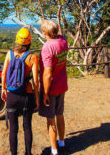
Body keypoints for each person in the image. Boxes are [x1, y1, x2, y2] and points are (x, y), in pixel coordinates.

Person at [1, 27, 39, 155]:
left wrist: (3, 89)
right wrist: (37, 98)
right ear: (29, 42)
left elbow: (4, 73)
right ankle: (28, 153)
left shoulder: (9, 54)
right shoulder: (33, 57)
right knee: (27, 127)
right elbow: (36, 81)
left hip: (12, 95)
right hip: (26, 96)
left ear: (17, 40)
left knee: (13, 129)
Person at [38, 19, 68, 155]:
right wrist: (44, 22)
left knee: (51, 120)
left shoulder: (47, 47)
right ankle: (61, 142)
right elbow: (57, 32)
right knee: (60, 115)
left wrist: (45, 93)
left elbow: (47, 74)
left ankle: (54, 150)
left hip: (51, 88)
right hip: (62, 84)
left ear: (44, 32)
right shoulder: (63, 41)